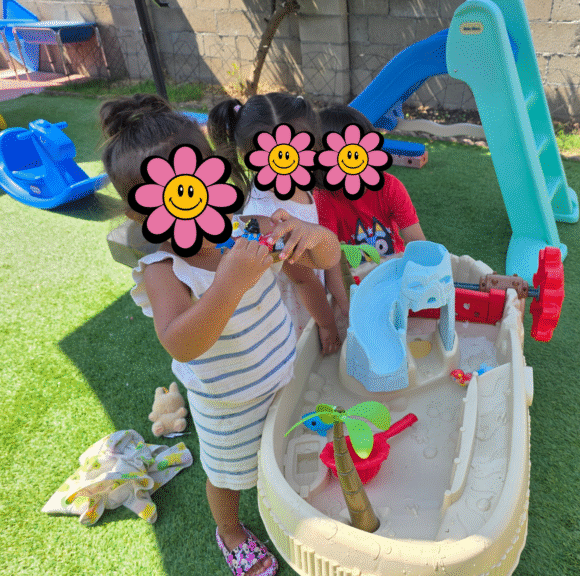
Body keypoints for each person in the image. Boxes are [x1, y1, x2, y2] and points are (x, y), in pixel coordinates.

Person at [100, 94, 340, 576]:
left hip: (282, 372)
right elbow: (181, 341)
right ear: (138, 211)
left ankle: (289, 487)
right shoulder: (164, 269)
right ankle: (229, 531)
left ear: (214, 173)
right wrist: (230, 283)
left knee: (286, 442)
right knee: (228, 476)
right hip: (227, 403)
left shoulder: (249, 228)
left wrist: (315, 241)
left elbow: (316, 267)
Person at [208, 93, 342, 355]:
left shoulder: (291, 186)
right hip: (296, 311)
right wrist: (327, 324)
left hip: (306, 293)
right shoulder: (269, 219)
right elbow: (304, 282)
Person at [315, 104, 427, 316]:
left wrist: (424, 281)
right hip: (356, 279)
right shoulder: (324, 198)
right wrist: (349, 310)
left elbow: (416, 241)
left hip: (393, 270)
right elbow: (331, 266)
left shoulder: (390, 187)